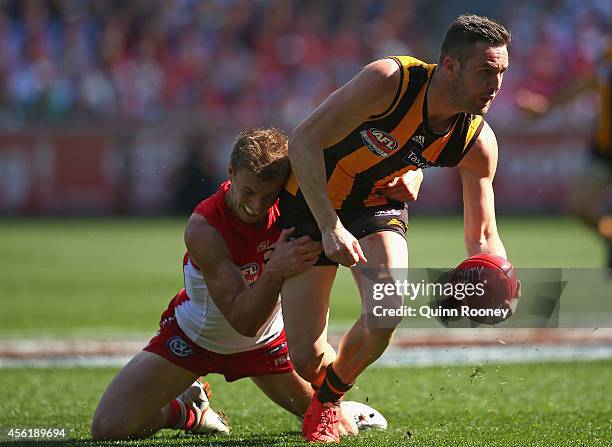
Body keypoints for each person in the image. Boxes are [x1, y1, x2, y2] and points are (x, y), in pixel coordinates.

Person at [91, 128, 422, 440]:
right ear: (230, 172)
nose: (257, 205)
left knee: (341, 427)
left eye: (269, 195)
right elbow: (243, 321)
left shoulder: (295, 206)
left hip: (268, 346)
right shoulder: (204, 227)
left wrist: (409, 173)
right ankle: (185, 410)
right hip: (195, 339)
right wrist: (275, 269)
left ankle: (342, 406)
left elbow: (359, 167)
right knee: (108, 428)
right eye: (248, 191)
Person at [278, 14, 517, 442]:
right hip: (310, 203)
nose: (495, 84)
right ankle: (331, 391)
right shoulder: (389, 80)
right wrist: (330, 226)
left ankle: (328, 402)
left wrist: (500, 276)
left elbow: (483, 235)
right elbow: (303, 142)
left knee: (387, 307)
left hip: (375, 204)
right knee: (305, 357)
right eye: (486, 71)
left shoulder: (478, 142)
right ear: (449, 65)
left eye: (501, 72)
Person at [517, 37, 611, 268]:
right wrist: (544, 108)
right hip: (605, 145)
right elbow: (583, 84)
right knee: (579, 205)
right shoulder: (608, 53)